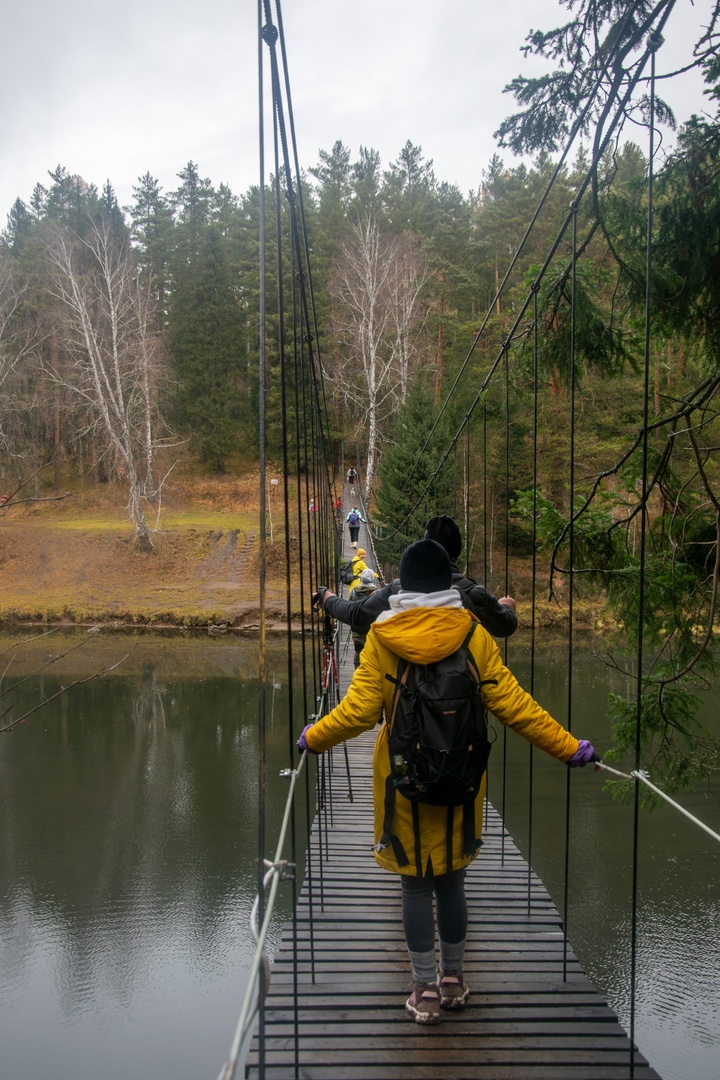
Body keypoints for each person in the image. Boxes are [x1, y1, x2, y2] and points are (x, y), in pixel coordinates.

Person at [299, 539, 598, 1025]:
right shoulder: (474, 636)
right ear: (446, 584)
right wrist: (569, 747)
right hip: (461, 779)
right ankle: (454, 981)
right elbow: (515, 707)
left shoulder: (381, 637)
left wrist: (313, 738)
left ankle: (423, 992)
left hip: (403, 782)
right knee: (452, 881)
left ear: (405, 586)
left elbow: (355, 714)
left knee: (415, 887)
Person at [316, 514, 518, 639]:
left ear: (426, 547)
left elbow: (355, 614)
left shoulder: (399, 591)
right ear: (457, 554)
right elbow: (506, 626)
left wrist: (328, 599)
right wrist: (507, 605)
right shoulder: (476, 595)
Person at [350, 568, 377, 666]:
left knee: (358, 652)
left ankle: (357, 672)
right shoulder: (377, 592)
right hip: (372, 631)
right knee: (371, 655)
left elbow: (350, 607)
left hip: (357, 630)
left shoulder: (354, 591)